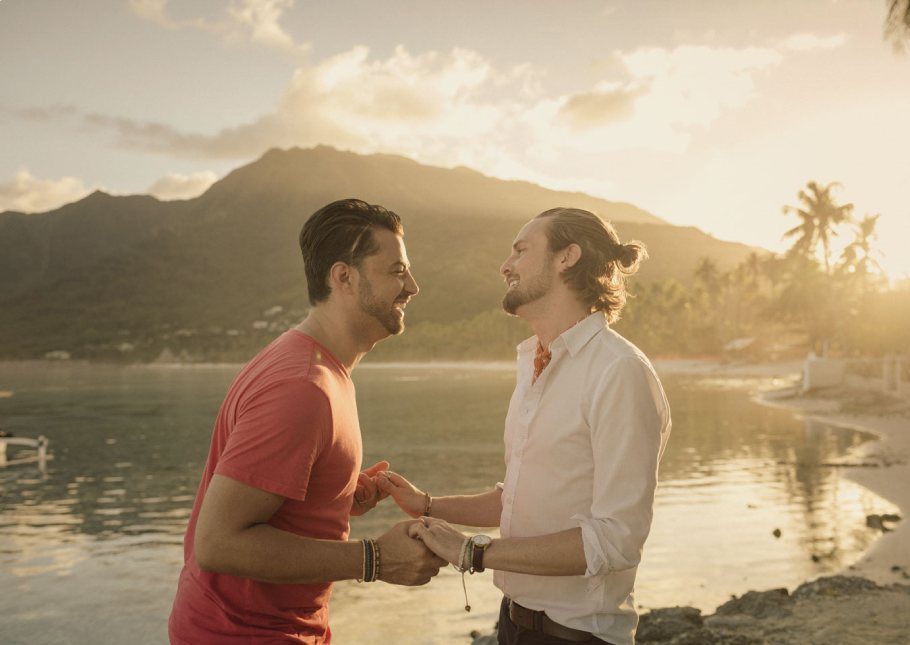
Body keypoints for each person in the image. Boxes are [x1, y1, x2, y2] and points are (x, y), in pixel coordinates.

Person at [378, 207, 672, 645]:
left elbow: (616, 540)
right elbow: (517, 500)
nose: (505, 265)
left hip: (577, 636)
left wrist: (472, 552)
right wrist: (426, 503)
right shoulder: (536, 362)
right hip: (513, 622)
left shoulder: (619, 371)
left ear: (566, 257)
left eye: (520, 250)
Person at [168, 199, 445, 644]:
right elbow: (218, 544)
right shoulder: (302, 387)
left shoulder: (315, 366)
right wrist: (376, 559)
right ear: (344, 278)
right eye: (396, 271)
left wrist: (329, 497)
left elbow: (264, 502)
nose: (413, 285)